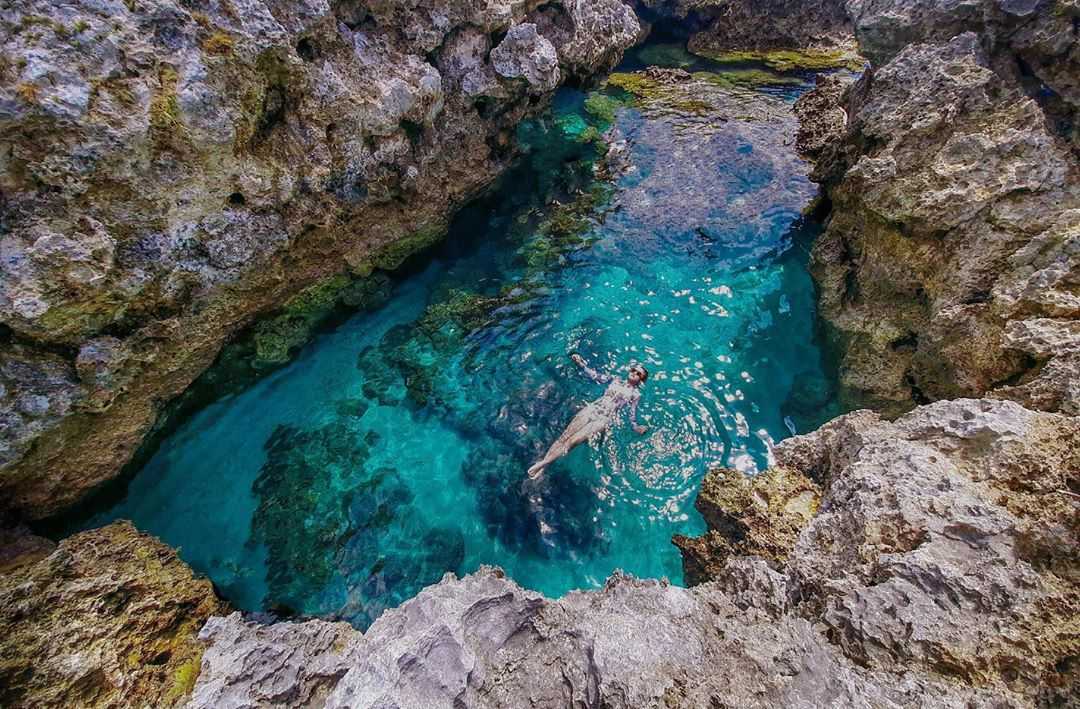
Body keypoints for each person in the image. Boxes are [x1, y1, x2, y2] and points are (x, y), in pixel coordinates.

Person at [527, 353, 649, 479]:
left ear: (641, 381)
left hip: (603, 419)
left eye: (639, 374)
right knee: (564, 436)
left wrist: (636, 427)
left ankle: (543, 463)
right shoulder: (615, 379)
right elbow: (595, 376)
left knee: (572, 442)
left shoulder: (635, 394)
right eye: (634, 370)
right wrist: (580, 364)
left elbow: (632, 415)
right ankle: (544, 465)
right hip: (592, 409)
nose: (634, 373)